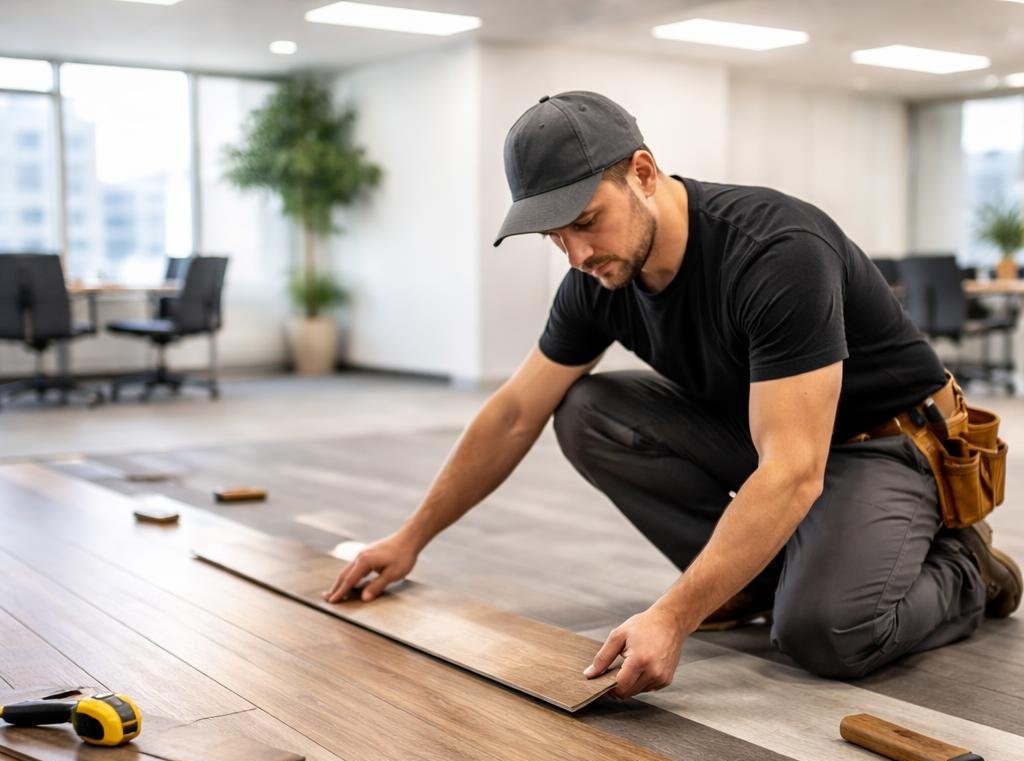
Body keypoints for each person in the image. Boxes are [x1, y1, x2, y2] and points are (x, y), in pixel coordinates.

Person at [326, 90, 1021, 698]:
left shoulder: (777, 252)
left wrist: (672, 615)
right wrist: (410, 538)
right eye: (554, 236)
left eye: (587, 221)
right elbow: (514, 414)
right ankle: (766, 580)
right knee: (585, 410)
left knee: (826, 634)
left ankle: (966, 570)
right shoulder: (600, 280)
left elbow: (794, 470)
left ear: (644, 173)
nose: (576, 255)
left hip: (888, 443)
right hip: (771, 434)